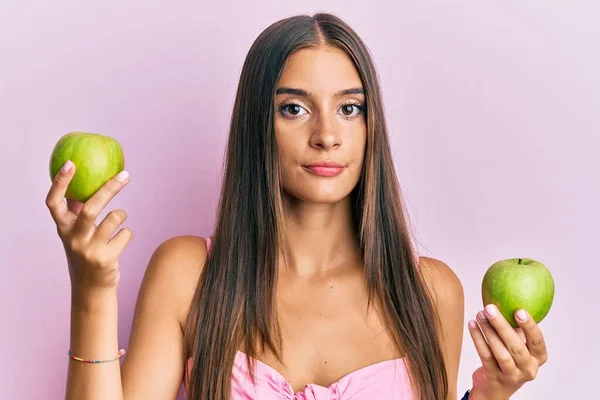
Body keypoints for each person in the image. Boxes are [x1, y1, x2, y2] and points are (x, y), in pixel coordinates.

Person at [46, 12, 548, 400]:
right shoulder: (189, 274)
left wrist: (489, 393)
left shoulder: (430, 292)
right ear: (257, 126)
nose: (327, 136)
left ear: (371, 127)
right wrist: (91, 287)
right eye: (294, 108)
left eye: (349, 109)